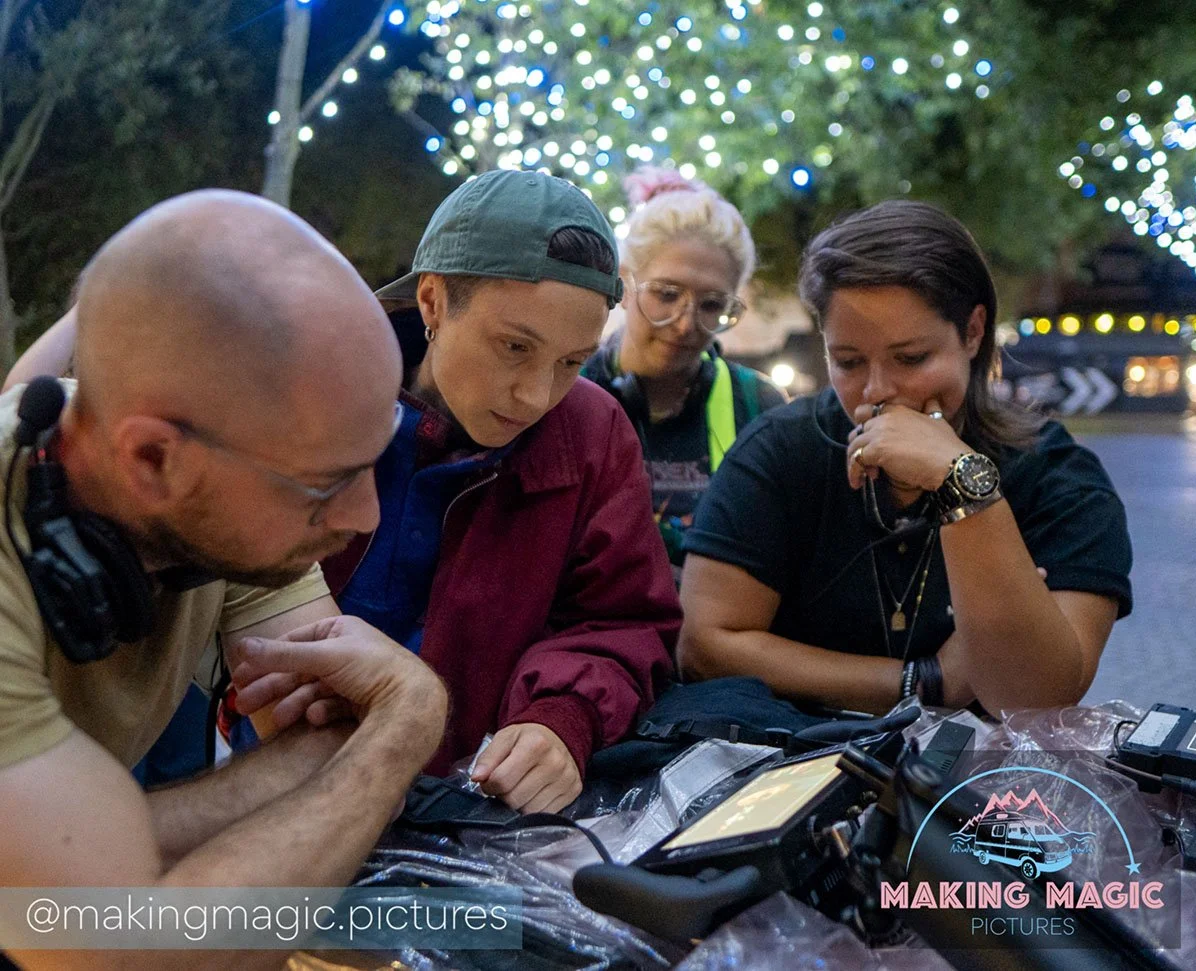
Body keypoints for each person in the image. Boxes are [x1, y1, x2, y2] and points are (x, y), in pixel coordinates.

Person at [0, 190, 448, 971]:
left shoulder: (227, 496)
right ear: (152, 459)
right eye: (325, 482)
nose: (366, 514)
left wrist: (121, 848)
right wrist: (404, 729)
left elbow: (323, 734)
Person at [236, 170, 679, 815]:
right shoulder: (305, 393)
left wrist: (562, 717)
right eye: (514, 347)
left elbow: (623, 620)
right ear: (434, 301)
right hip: (254, 774)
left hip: (469, 805)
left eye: (571, 362)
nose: (536, 395)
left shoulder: (595, 432)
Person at [677, 200, 1132, 717]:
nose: (877, 391)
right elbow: (704, 647)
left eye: (911, 358)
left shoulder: (1057, 476)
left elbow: (1038, 698)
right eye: (847, 362)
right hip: (791, 768)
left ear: (974, 332)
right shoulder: (780, 449)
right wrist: (925, 682)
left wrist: (962, 482)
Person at [580, 168, 785, 573]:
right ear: (622, 284)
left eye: (711, 305)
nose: (686, 324)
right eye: (667, 294)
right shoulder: (569, 389)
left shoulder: (759, 405)